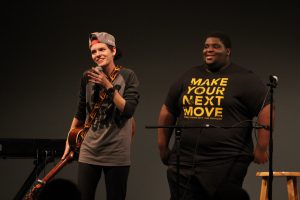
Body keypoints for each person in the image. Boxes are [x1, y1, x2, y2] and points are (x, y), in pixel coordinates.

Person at [157, 32, 271, 200]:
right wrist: (162, 146)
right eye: (206, 46)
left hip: (226, 159)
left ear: (228, 51)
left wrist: (261, 148)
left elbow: (266, 109)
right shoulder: (189, 75)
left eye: (216, 46)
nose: (209, 50)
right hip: (185, 160)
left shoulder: (244, 78)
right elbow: (168, 109)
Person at [62, 32, 140, 200]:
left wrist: (108, 85)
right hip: (90, 149)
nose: (97, 55)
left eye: (102, 49)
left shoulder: (128, 75)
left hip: (117, 151)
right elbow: (80, 111)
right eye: (94, 51)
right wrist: (70, 138)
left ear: (113, 51)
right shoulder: (87, 77)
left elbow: (128, 110)